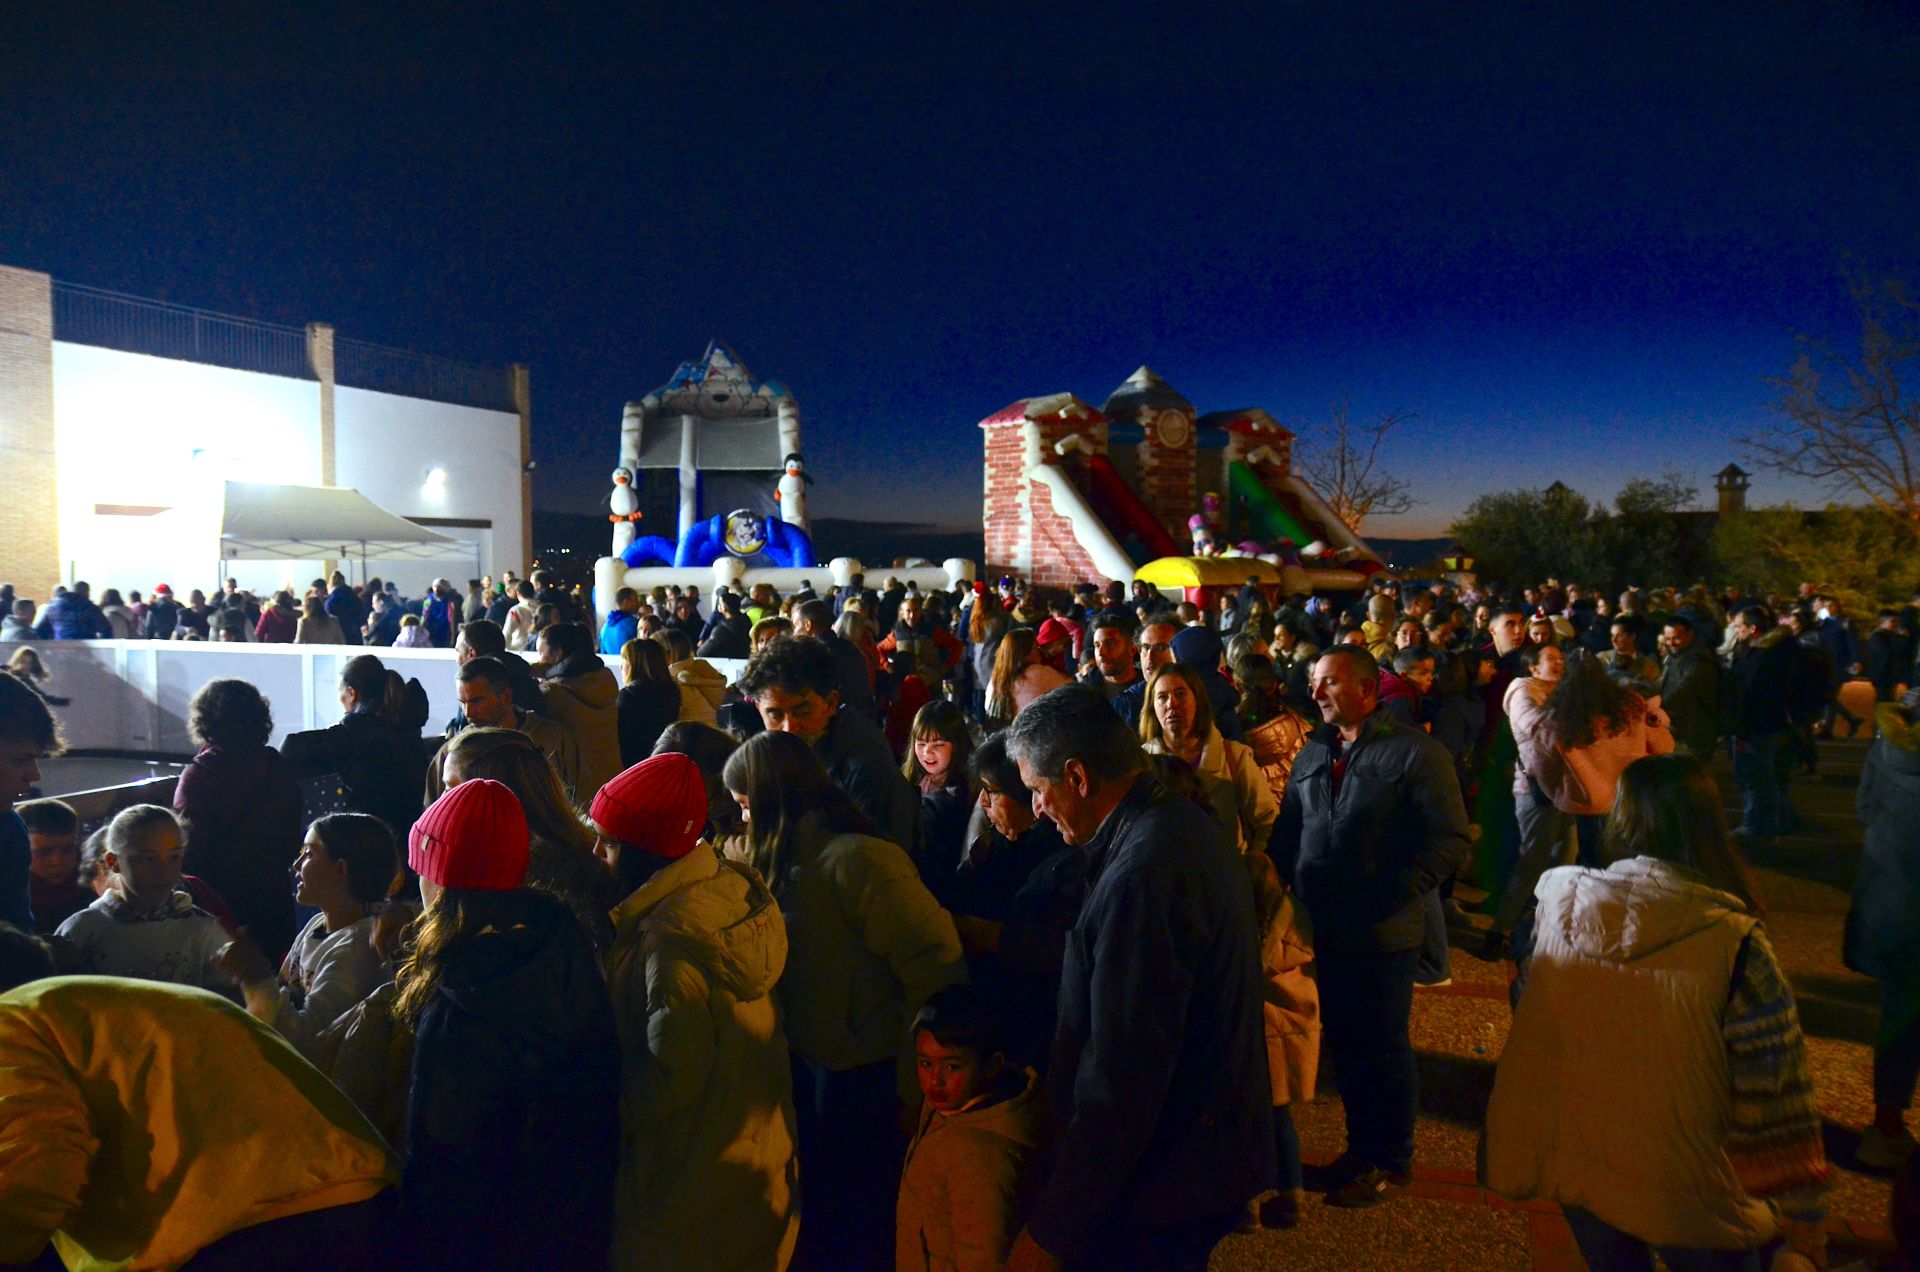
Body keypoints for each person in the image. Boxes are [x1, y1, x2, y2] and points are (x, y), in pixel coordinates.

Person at [1486, 754, 1830, 1272]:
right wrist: (1804, 1210)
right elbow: (1775, 1086)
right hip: (1691, 1185)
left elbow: (1533, 1010)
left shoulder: (1558, 907)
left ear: (1621, 818)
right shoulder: (1732, 939)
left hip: (1579, 1156)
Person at [1000, 685, 1271, 1270]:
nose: (1037, 809)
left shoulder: (1142, 876)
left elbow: (1124, 1076)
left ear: (1077, 776)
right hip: (1195, 1156)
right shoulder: (1172, 823)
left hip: (1163, 1179)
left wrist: (1052, 1229)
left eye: (1038, 790)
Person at [0, 935, 400, 1269]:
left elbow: (38, 1166)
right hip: (343, 1195)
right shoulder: (70, 1008)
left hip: (247, 1225)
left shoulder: (11, 1022)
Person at [722, 731, 965, 1271]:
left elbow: (935, 967)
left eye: (747, 807)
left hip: (866, 1075)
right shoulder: (776, 860)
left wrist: (915, 1087)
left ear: (774, 802)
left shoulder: (859, 861)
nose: (742, 821)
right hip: (809, 1066)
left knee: (860, 1220)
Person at [1271, 648, 1471, 1208]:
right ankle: (1360, 1151)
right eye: (1314, 683)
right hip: (1324, 928)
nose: (1316, 694)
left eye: (1329, 683)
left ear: (1366, 689)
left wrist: (1390, 895)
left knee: (1382, 1048)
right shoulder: (1314, 751)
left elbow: (1449, 838)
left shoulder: (1416, 754)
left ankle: (1390, 1159)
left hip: (1383, 935)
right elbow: (1291, 828)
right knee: (1348, 1047)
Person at [395, 779, 619, 1270]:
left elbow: (442, 1158)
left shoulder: (460, 999)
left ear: (443, 879)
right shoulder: (563, 946)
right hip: (569, 1225)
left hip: (483, 1243)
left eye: (422, 870)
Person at [592, 754, 800, 1271]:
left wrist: (591, 1109)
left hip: (686, 1186)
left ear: (644, 852)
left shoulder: (670, 942)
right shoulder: (726, 892)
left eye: (609, 844)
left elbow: (669, 1077)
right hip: (749, 1169)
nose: (596, 854)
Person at [217, 813, 396, 1063]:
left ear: (340, 869)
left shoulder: (357, 949)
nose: (296, 864)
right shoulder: (317, 925)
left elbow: (303, 1043)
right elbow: (285, 989)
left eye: (309, 854)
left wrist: (254, 974)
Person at [896, 985, 1043, 1272]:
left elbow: (984, 1258)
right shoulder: (946, 1108)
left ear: (991, 1066)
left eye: (952, 1067)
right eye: (925, 1063)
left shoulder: (979, 1158)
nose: (935, 1080)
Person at [439, 727, 619, 953]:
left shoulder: (532, 871)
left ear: (491, 792)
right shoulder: (577, 845)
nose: (442, 800)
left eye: (451, 788)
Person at [740, 635, 920, 850]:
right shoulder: (782, 753)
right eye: (775, 715)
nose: (789, 727)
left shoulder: (866, 765)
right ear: (759, 708)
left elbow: (883, 857)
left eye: (802, 712)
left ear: (831, 702)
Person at [173, 678, 307, 965]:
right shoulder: (276, 766)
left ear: (204, 719)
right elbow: (291, 837)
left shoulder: (201, 775)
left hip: (219, 906)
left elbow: (189, 852)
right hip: (274, 900)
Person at [55, 804, 235, 992]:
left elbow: (225, 998)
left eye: (174, 857)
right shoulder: (83, 930)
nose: (164, 871)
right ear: (113, 862)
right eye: (148, 859)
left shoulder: (203, 929)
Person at [1850, 697, 1920, 1169]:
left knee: (1901, 1017)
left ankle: (1887, 1125)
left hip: (1891, 900)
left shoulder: (1890, 743)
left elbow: (1864, 806)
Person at [1139, 661, 1277, 854]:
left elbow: (1268, 822)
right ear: (1152, 706)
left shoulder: (1234, 757)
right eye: (1162, 697)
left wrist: (1253, 863)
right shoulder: (1141, 764)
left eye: (1180, 694)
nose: (1172, 704)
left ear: (1197, 700)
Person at [283, 654, 428, 837]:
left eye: (340, 690)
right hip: (410, 837)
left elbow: (290, 748)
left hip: (369, 839)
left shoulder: (349, 737)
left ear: (352, 694)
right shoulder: (406, 731)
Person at [427, 655, 586, 805]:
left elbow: (578, 798)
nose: (468, 713)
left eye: (476, 701)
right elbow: (432, 811)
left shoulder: (552, 738)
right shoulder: (453, 752)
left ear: (506, 697)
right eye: (463, 703)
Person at [1726, 604, 1799, 842]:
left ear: (1753, 629)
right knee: (1769, 777)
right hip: (1771, 724)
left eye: (1739, 626)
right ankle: (1777, 821)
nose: (1736, 630)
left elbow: (1750, 696)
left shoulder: (1762, 656)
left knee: (1754, 778)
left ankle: (1756, 825)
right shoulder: (1777, 651)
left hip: (1756, 727)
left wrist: (1742, 731)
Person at [532, 620, 623, 798]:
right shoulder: (604, 680)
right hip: (612, 778)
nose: (539, 659)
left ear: (558, 653)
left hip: (579, 788)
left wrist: (533, 671)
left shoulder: (553, 694)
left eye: (540, 652)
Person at [903, 698, 975, 905]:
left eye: (938, 744)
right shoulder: (913, 779)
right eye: (921, 744)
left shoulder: (961, 791)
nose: (927, 752)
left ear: (956, 745)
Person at [796, 597, 879, 718]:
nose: (794, 631)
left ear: (808, 625)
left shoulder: (813, 654)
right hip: (859, 718)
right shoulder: (850, 648)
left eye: (796, 625)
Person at [19, 798, 91, 933]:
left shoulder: (94, 886)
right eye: (43, 852)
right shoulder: (10, 900)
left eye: (67, 850)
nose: (57, 861)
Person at [1659, 615, 1724, 757]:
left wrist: (1654, 708)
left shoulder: (1698, 663)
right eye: (1668, 639)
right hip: (1681, 729)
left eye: (1676, 638)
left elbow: (1682, 691)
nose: (1671, 643)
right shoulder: (1677, 656)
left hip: (1695, 734)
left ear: (1690, 635)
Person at [617, 634, 684, 766]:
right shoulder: (672, 692)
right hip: (663, 762)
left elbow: (622, 741)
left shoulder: (627, 697)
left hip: (634, 766)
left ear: (635, 664)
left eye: (624, 660)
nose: (620, 666)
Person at [985, 628, 1072, 726]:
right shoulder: (1037, 672)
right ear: (1025, 652)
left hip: (1003, 731)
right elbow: (1070, 687)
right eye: (1035, 647)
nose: (1039, 651)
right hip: (1032, 731)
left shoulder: (995, 678)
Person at [325, 571, 367, 644]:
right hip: (355, 635)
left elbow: (329, 621)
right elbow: (362, 618)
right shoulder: (355, 598)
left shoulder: (331, 601)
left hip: (339, 637)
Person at [600, 586, 641, 655]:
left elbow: (603, 652)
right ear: (626, 602)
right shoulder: (633, 624)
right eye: (635, 600)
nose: (638, 603)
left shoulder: (605, 626)